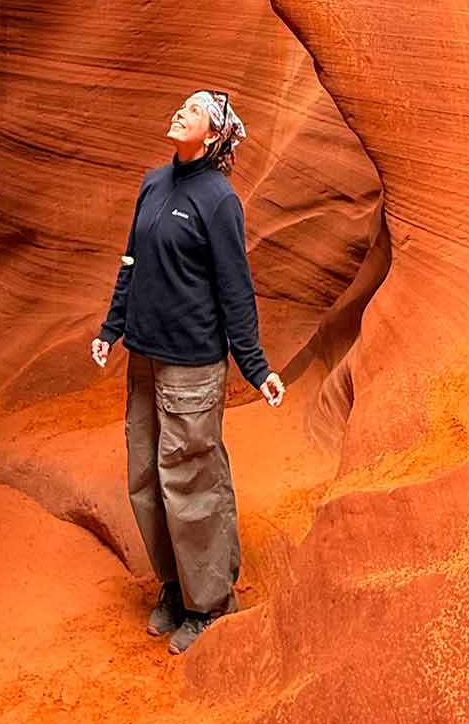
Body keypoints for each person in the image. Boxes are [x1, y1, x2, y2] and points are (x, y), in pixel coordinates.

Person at [91, 88, 285, 655]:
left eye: (195, 110)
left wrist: (255, 365)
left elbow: (234, 288)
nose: (180, 111)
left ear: (215, 135)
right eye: (180, 105)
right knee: (146, 480)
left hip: (192, 368)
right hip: (144, 359)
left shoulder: (218, 199)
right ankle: (176, 587)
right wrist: (110, 329)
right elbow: (131, 261)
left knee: (191, 482)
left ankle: (210, 604)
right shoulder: (154, 183)